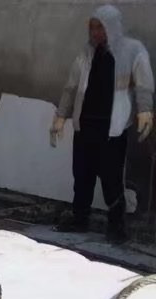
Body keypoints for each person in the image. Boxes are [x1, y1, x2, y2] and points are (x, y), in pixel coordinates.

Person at [50, 5, 153, 245]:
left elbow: (144, 84)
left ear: (113, 27)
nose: (96, 33)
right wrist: (61, 115)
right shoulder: (86, 53)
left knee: (111, 179)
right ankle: (79, 218)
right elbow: (71, 87)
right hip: (85, 125)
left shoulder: (132, 50)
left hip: (112, 129)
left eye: (101, 27)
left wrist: (145, 109)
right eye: (93, 28)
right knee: (82, 175)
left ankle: (116, 227)